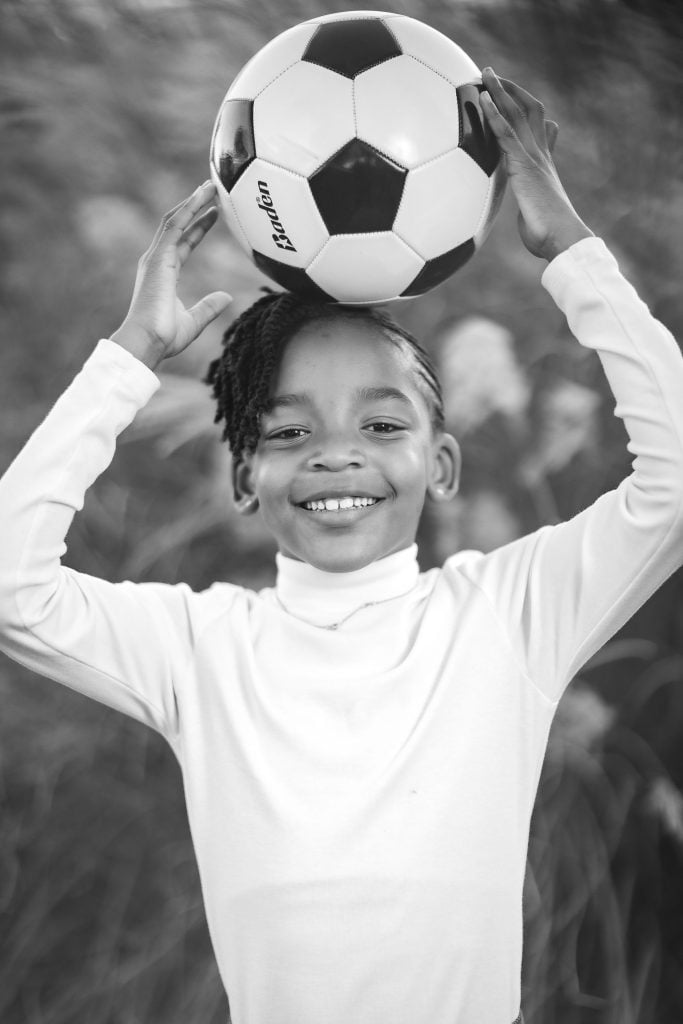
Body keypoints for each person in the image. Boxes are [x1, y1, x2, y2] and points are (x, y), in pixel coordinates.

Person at [0, 68, 681, 1024]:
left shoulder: (506, 615)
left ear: (441, 465)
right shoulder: (202, 649)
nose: (333, 456)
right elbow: (10, 586)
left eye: (380, 426)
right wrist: (131, 355)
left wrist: (564, 244)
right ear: (243, 479)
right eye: (284, 433)